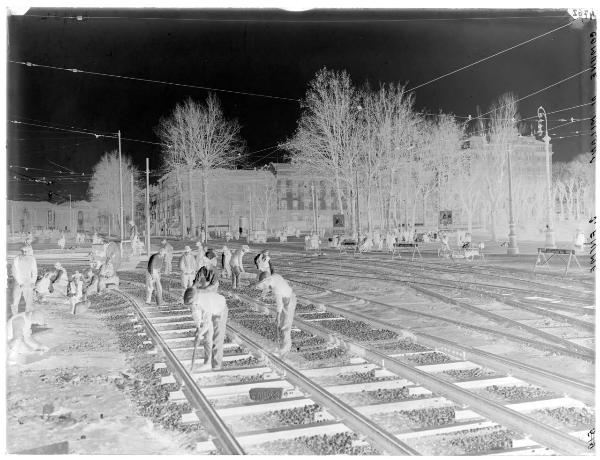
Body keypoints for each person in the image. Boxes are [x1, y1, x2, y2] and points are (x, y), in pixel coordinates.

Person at [184, 282, 228, 371]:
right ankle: (208, 363)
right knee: (207, 338)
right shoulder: (194, 300)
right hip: (210, 310)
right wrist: (198, 327)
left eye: (192, 304)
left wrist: (200, 334)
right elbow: (196, 314)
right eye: (190, 305)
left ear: (195, 299)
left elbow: (207, 323)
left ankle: (216, 366)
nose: (191, 306)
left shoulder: (204, 301)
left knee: (217, 338)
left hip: (220, 310)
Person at [254, 274, 297, 357]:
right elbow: (267, 287)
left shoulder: (276, 289)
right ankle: (282, 345)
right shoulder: (274, 277)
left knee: (285, 325)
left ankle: (285, 350)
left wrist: (277, 316)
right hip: (288, 298)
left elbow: (279, 304)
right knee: (282, 324)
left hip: (289, 301)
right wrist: (262, 295)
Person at [11, 246, 38, 315]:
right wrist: (20, 282)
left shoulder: (32, 259)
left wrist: (33, 282)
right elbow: (15, 271)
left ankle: (28, 316)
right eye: (22, 251)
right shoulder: (16, 258)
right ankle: (14, 316)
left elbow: (34, 271)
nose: (24, 253)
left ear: (29, 251)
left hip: (28, 281)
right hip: (18, 282)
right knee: (15, 300)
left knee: (28, 300)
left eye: (26, 251)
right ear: (21, 251)